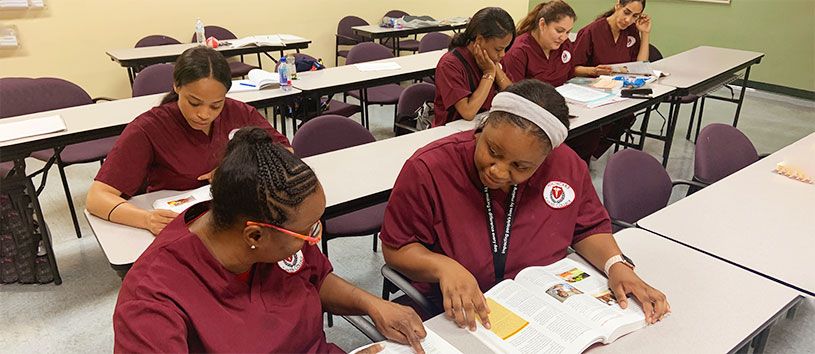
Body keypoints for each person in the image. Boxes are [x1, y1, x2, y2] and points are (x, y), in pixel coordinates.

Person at [380, 80, 669, 332]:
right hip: (457, 312)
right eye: (493, 151)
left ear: (546, 158)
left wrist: (616, 265)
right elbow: (396, 248)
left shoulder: (566, 165)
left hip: (542, 306)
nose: (499, 171)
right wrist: (443, 267)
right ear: (483, 125)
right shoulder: (429, 168)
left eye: (520, 166)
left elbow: (588, 226)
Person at [113, 127, 427, 354]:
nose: (311, 239)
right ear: (254, 235)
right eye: (306, 231)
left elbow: (314, 278)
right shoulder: (152, 297)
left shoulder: (272, 241)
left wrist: (371, 304)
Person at [86, 46, 289, 235]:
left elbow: (286, 152)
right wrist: (147, 219)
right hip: (179, 224)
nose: (204, 114)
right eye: (194, 103)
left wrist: (238, 169)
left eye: (216, 105)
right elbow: (96, 198)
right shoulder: (149, 128)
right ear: (176, 86)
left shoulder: (238, 112)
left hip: (232, 218)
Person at [569, 0, 653, 162]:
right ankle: (581, 157)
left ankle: (591, 154)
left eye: (635, 16)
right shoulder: (591, 31)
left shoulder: (631, 31)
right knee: (596, 127)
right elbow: (571, 69)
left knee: (627, 115)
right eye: (626, 12)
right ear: (617, 6)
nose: (628, 20)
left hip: (615, 91)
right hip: (590, 91)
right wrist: (593, 71)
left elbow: (640, 66)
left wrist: (645, 34)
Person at [432, 7, 515, 127]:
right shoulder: (450, 64)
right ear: (479, 40)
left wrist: (496, 69)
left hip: (486, 125)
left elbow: (512, 98)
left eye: (505, 48)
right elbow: (468, 112)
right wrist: (489, 73)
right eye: (498, 49)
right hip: (451, 133)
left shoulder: (494, 58)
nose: (503, 54)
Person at [502, 0, 581, 87]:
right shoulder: (518, 52)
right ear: (542, 24)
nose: (563, 38)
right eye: (559, 31)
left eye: (568, 32)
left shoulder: (565, 45)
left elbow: (570, 76)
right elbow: (514, 93)